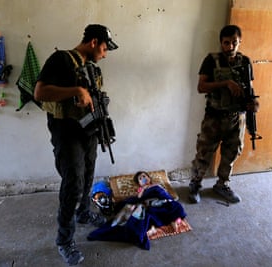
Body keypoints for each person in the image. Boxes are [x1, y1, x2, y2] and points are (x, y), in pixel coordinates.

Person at [34, 24, 118, 266]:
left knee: (89, 173)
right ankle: (64, 240)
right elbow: (39, 92)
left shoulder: (92, 68)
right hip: (66, 131)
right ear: (93, 42)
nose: (105, 54)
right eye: (104, 48)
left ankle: (83, 213)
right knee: (73, 183)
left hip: (88, 130)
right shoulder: (61, 59)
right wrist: (75, 90)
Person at [189, 25, 259, 204]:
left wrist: (253, 102)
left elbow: (249, 87)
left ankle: (222, 184)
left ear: (239, 41)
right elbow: (201, 87)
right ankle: (195, 185)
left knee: (231, 153)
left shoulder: (245, 62)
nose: (230, 47)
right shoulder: (211, 60)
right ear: (221, 43)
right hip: (214, 117)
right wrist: (226, 83)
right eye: (226, 43)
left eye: (234, 42)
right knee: (204, 153)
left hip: (237, 117)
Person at [87, 171, 187, 250]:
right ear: (138, 183)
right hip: (153, 204)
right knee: (150, 213)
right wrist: (143, 190)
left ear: (149, 177)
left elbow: (164, 192)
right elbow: (139, 198)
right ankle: (172, 221)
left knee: (177, 208)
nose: (143, 179)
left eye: (144, 176)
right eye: (140, 178)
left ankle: (175, 221)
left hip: (164, 200)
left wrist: (164, 194)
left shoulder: (156, 185)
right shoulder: (142, 189)